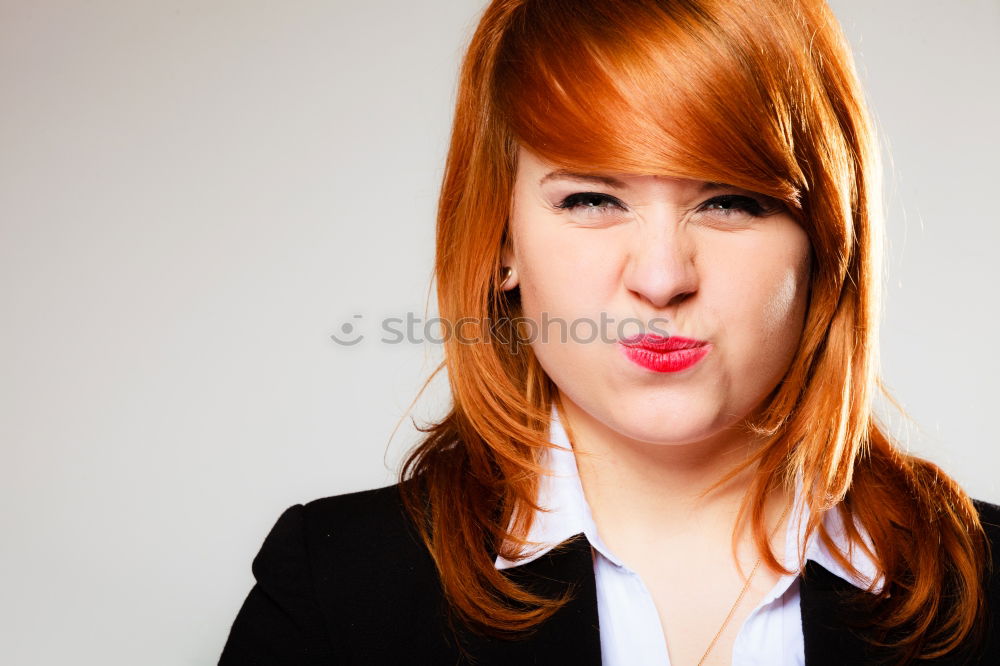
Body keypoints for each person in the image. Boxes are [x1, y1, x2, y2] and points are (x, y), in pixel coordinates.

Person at [218, 0, 1000, 663]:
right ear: (500, 242)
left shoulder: (991, 591)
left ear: (825, 239)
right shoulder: (335, 589)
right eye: (591, 199)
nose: (661, 277)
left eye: (731, 200)